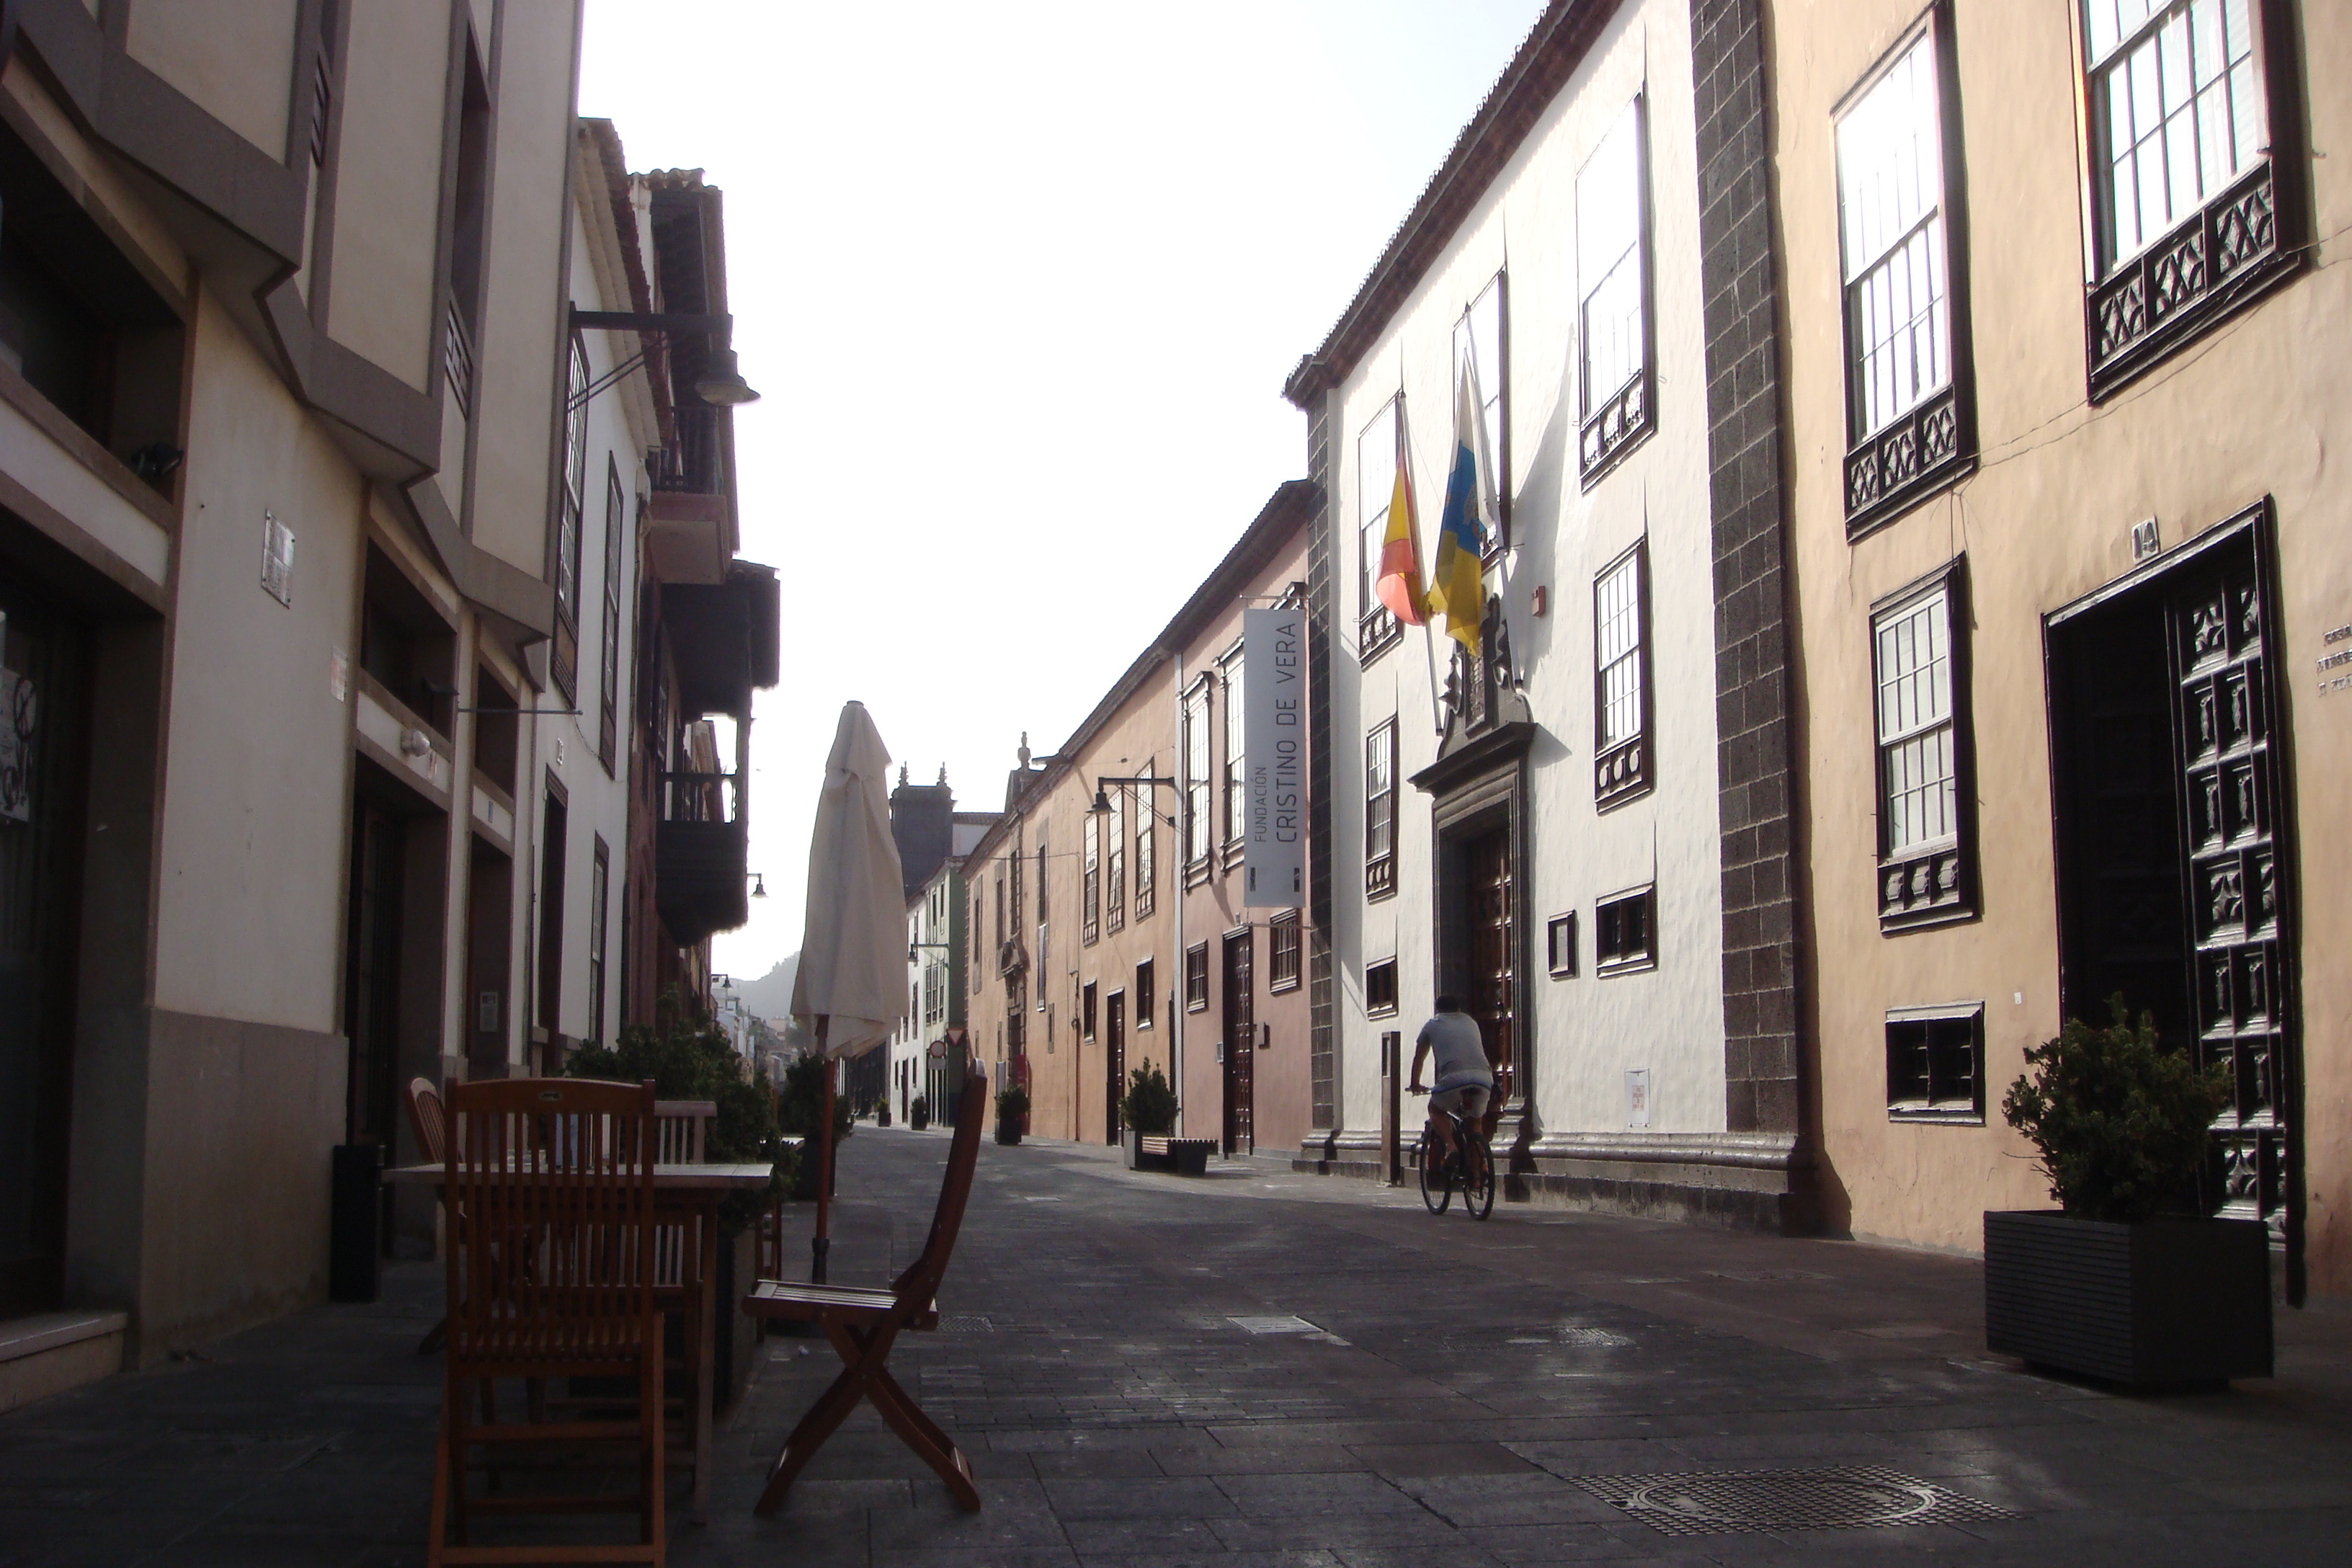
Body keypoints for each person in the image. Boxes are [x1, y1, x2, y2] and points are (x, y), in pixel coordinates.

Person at [1408, 995, 1494, 1167]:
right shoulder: (1471, 1022)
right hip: (1483, 1079)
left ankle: (1451, 1147)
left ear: (1437, 1010)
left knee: (1435, 1109)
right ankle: (1478, 1175)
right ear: (1459, 1009)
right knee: (1476, 1123)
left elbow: (1419, 1057)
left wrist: (1415, 1084)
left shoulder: (1432, 1025)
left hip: (1452, 1080)